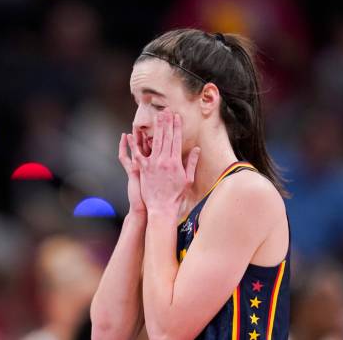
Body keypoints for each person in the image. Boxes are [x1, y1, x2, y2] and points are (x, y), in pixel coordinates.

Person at [90, 28, 290, 339]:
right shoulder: (169, 202)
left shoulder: (244, 193)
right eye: (137, 104)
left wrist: (159, 212)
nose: (139, 121)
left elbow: (168, 333)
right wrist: (139, 212)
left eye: (156, 105)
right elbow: (106, 331)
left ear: (208, 99)